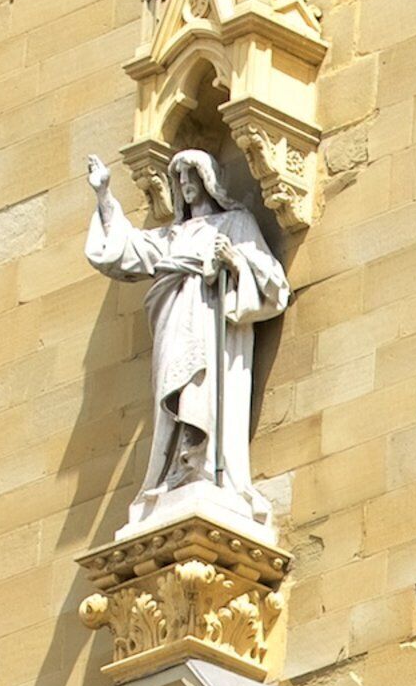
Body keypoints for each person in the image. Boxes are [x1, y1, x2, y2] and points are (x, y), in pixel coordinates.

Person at [84, 147, 288, 524]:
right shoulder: (173, 236)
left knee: (203, 390)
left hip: (213, 331)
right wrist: (104, 196)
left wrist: (233, 260)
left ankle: (208, 466)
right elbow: (125, 250)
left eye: (193, 176)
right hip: (174, 326)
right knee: (176, 399)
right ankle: (179, 468)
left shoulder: (235, 224)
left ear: (209, 182)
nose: (186, 184)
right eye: (179, 179)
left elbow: (273, 280)